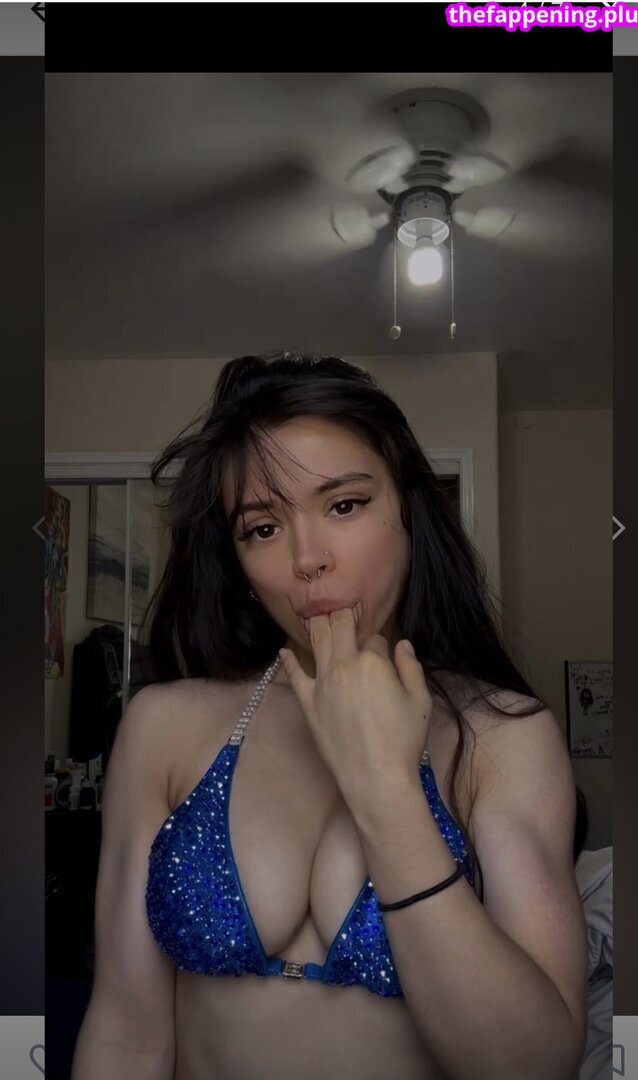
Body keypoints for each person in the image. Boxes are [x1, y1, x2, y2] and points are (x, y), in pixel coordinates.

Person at [72, 352, 588, 1080]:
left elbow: (532, 1066)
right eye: (262, 528)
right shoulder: (164, 727)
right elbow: (126, 1034)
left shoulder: (503, 735)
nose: (307, 558)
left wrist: (385, 791)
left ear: (408, 512)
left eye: (344, 505)